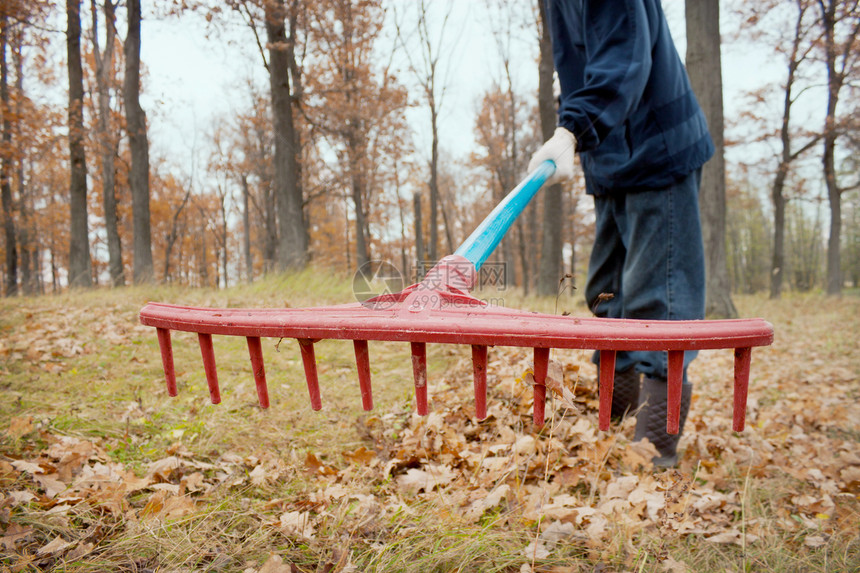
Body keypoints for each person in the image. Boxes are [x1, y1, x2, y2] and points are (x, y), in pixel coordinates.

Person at [528, 0, 713, 467]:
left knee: (660, 304)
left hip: (657, 146)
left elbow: (625, 60)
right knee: (607, 297)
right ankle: (615, 423)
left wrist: (572, 128)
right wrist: (570, 129)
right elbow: (577, 69)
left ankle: (654, 453)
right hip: (610, 158)